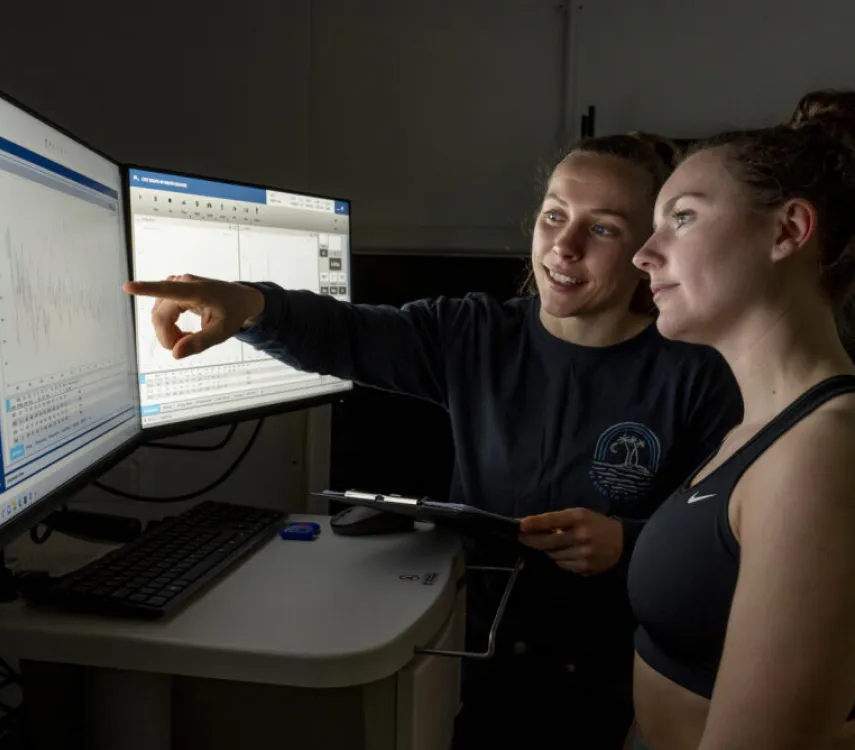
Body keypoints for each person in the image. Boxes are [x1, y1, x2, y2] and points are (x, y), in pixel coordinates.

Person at [124, 133, 742, 749]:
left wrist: (627, 543)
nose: (564, 245)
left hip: (612, 688)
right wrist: (251, 306)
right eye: (554, 215)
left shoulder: (698, 374)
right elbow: (350, 334)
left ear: (647, 248)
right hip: (471, 662)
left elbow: (727, 546)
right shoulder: (473, 332)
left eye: (602, 229)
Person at [625, 90, 855, 750]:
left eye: (681, 218)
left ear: (788, 230)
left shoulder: (836, 448)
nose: (643, 253)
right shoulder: (755, 433)